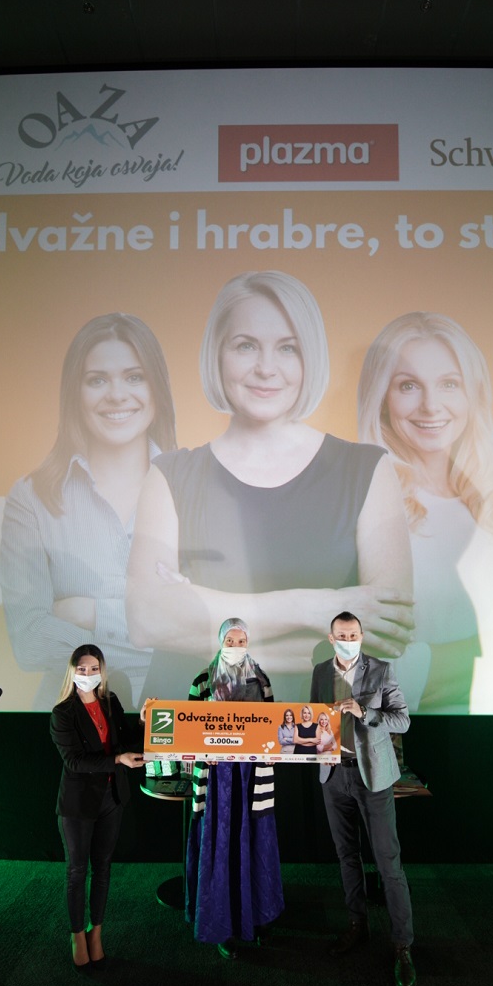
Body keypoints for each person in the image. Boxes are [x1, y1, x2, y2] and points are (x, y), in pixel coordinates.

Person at [127, 270, 414, 705]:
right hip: (193, 729)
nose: (266, 368)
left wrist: (197, 617)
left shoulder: (368, 470)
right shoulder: (168, 475)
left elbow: (384, 638)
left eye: (288, 348)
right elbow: (147, 621)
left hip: (319, 730)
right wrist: (317, 609)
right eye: (246, 346)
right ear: (218, 354)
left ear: (309, 358)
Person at [357, 311, 493, 713]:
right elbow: (369, 677)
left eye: (449, 384)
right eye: (408, 385)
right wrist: (492, 657)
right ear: (382, 398)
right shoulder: (364, 506)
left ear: (472, 395)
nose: (431, 405)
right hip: (405, 740)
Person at [0, 313, 177, 711]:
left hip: (176, 718)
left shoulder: (194, 489)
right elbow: (30, 641)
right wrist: (156, 634)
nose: (117, 395)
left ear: (157, 388)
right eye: (97, 380)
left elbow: (206, 633)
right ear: (74, 394)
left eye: (134, 377)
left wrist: (92, 613)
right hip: (71, 722)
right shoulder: (32, 498)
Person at [311, 612, 416, 986]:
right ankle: (357, 925)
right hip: (333, 775)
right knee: (347, 856)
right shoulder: (321, 672)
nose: (348, 640)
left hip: (373, 777)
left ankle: (402, 945)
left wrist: (364, 711)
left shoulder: (381, 670)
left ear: (361, 635)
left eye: (353, 634)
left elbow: (402, 721)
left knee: (388, 862)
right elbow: (313, 719)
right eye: (341, 635)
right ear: (331, 638)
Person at [185, 618, 284, 960]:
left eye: (242, 641)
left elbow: (273, 727)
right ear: (220, 641)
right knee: (221, 845)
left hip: (252, 775)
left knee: (254, 843)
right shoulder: (203, 680)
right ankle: (221, 925)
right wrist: (204, 752)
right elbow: (188, 729)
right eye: (230, 640)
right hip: (216, 779)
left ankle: (255, 918)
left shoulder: (262, 679)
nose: (236, 646)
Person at [49, 644, 145, 971]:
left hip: (111, 798)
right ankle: (77, 934)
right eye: (82, 669)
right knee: (77, 871)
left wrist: (143, 722)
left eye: (94, 668)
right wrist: (117, 760)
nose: (88, 674)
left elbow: (126, 741)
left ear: (102, 670)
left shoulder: (110, 701)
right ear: (72, 671)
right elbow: (74, 761)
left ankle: (96, 931)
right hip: (78, 804)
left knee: (102, 868)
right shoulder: (63, 712)